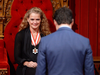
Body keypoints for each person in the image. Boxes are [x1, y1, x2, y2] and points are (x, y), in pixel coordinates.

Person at [35, 7, 95, 75]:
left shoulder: (45, 41)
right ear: (72, 22)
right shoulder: (84, 42)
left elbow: (40, 71)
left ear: (55, 22)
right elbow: (89, 71)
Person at [14, 7, 51, 75]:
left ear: (41, 20)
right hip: (25, 67)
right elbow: (17, 57)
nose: (35, 22)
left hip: (42, 67)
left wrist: (41, 64)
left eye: (37, 19)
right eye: (32, 19)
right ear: (27, 19)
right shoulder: (20, 35)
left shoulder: (46, 36)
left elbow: (49, 56)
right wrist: (27, 63)